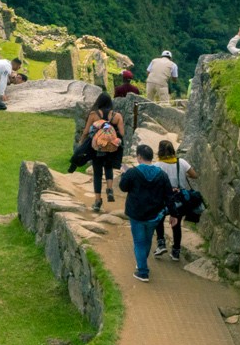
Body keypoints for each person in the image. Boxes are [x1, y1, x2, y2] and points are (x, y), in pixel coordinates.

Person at [118, 142, 176, 281]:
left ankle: (143, 271)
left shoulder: (132, 172)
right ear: (151, 157)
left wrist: (123, 175)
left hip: (137, 213)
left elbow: (123, 187)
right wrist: (174, 214)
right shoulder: (161, 175)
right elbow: (169, 196)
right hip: (154, 214)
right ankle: (141, 263)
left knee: (138, 241)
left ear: (139, 157)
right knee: (148, 239)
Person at [157, 139, 199, 261]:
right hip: (180, 199)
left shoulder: (158, 165)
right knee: (177, 225)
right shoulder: (182, 162)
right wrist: (184, 175)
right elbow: (195, 175)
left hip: (164, 198)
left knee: (159, 219)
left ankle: (161, 243)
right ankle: (176, 252)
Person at [81, 92, 125, 207]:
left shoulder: (94, 115)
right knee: (109, 167)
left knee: (97, 174)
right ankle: (109, 189)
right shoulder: (117, 116)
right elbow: (122, 133)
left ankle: (97, 201)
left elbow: (86, 131)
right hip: (111, 148)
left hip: (97, 148)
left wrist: (81, 143)